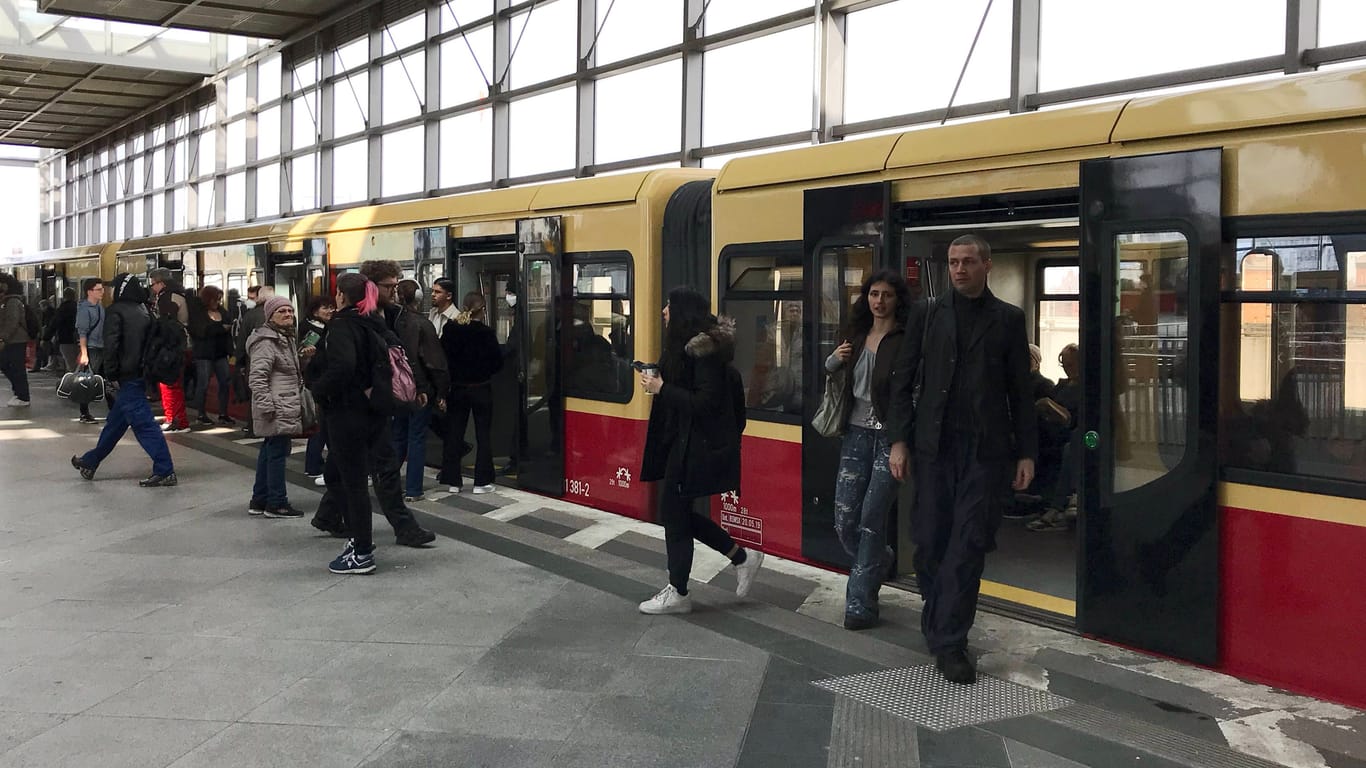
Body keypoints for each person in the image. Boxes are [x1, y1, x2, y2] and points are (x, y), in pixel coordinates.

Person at [888, 234, 1036, 685]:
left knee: (968, 545)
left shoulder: (1008, 320)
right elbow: (903, 379)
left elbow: (1020, 392)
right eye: (953, 262)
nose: (959, 269)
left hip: (985, 454)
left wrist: (1026, 452)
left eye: (968, 262)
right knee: (930, 543)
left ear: (987, 265)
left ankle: (951, 643)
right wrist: (899, 441)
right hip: (934, 450)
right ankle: (941, 622)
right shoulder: (928, 314)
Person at [637, 286, 763, 615]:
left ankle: (679, 591)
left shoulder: (703, 352)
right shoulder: (684, 349)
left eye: (668, 306)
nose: (663, 311)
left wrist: (661, 388)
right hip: (682, 442)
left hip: (695, 446)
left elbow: (705, 403)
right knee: (676, 515)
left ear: (682, 313)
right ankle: (741, 557)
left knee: (674, 515)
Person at [307, 270, 436, 549]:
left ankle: (389, 528)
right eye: (388, 286)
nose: (395, 290)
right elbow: (342, 364)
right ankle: (359, 533)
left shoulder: (388, 316)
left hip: (366, 407)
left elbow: (401, 355)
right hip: (353, 408)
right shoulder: (355, 320)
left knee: (366, 469)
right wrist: (320, 387)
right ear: (371, 287)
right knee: (347, 472)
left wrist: (418, 386)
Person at [826, 271, 909, 631]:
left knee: (871, 520)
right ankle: (881, 559)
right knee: (845, 521)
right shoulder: (856, 336)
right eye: (874, 294)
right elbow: (833, 380)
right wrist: (833, 360)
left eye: (887, 295)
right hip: (855, 435)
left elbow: (910, 393)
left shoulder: (904, 339)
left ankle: (860, 605)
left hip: (889, 438)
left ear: (897, 300)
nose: (879, 301)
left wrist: (900, 442)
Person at [70, 273, 177, 487]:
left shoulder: (116, 311)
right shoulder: (143, 309)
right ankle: (90, 461)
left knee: (144, 424)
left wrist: (110, 374)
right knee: (115, 424)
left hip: (126, 376)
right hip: (140, 373)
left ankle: (165, 470)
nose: (109, 291)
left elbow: (112, 345)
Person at [386, 276, 449, 502]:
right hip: (419, 390)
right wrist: (440, 391)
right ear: (418, 299)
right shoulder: (423, 324)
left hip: (396, 389)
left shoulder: (390, 322)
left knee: (398, 436)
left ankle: (390, 484)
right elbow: (435, 363)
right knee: (417, 438)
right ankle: (413, 489)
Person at [246, 296, 305, 518]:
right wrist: (266, 406)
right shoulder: (266, 341)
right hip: (277, 406)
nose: (288, 315)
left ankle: (259, 500)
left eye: (290, 311)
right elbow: (258, 377)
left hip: (282, 403)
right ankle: (277, 503)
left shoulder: (284, 338)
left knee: (270, 450)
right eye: (282, 312)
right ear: (270, 315)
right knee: (278, 453)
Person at [441, 292, 502, 493]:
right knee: (483, 435)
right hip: (481, 388)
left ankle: (452, 481)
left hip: (457, 389)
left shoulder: (450, 329)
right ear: (482, 310)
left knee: (454, 433)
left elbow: (444, 359)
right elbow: (497, 363)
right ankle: (481, 482)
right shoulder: (486, 333)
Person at [1029, 343, 1082, 533]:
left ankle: (1057, 506)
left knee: (1070, 448)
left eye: (1071, 364)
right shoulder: (1062, 386)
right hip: (1052, 431)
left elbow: (1072, 418)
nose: (1068, 369)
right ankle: (1054, 505)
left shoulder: (1085, 388)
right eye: (1065, 365)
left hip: (1072, 433)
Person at [148, 268, 191, 434]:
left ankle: (175, 419)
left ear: (161, 283)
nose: (152, 288)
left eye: (153, 284)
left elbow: (167, 324)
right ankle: (174, 418)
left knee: (169, 383)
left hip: (172, 346)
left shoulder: (167, 298)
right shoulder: (177, 294)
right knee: (172, 383)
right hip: (180, 344)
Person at [300, 295, 334, 485]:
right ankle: (313, 465)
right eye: (325, 308)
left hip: (320, 378)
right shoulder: (312, 329)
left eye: (331, 307)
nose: (330, 311)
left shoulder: (326, 326)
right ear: (314, 311)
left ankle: (316, 463)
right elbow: (306, 354)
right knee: (320, 424)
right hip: (316, 380)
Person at [191, 286, 235, 427]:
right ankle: (201, 414)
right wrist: (220, 328)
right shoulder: (198, 313)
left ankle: (223, 413)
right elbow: (200, 331)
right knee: (203, 384)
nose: (218, 302)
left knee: (225, 382)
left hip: (221, 353)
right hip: (204, 354)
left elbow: (229, 324)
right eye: (215, 299)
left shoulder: (222, 311)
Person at [75, 278, 110, 423]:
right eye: (98, 289)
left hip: (101, 347)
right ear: (89, 291)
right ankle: (84, 413)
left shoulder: (99, 307)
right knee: (88, 382)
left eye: (102, 289)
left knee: (105, 380)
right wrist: (84, 353)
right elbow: (82, 333)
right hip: (91, 348)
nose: (102, 292)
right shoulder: (84, 310)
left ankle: (114, 410)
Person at [0, 274, 31, 407]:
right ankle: (19, 393)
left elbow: (11, 322)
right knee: (9, 366)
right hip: (12, 340)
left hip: (16, 340)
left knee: (17, 368)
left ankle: (23, 396)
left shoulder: (12, 301)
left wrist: (2, 338)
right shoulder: (7, 301)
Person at [50, 287, 79, 375]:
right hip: (78, 338)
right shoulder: (79, 307)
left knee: (70, 363)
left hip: (65, 338)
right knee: (77, 363)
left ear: (64, 296)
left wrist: (46, 337)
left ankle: (72, 383)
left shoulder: (62, 308)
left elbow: (55, 323)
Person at [30, 298, 53, 373]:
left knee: (41, 350)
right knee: (43, 350)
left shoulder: (46, 314)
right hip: (45, 334)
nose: (41, 308)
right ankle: (43, 364)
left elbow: (45, 325)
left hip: (45, 334)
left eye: (41, 306)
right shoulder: (48, 313)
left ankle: (40, 365)